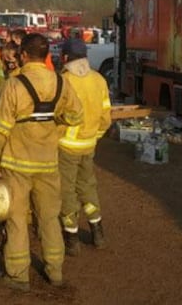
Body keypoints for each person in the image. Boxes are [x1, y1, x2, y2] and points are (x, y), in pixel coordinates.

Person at [0, 33, 83, 291]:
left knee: (17, 220)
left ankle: (18, 275)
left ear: (24, 55)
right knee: (50, 218)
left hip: (16, 163)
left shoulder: (14, 85)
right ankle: (55, 270)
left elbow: (0, 128)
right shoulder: (61, 82)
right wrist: (54, 128)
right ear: (47, 55)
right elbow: (76, 116)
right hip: (48, 162)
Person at [57, 39, 112, 256]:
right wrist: (95, 136)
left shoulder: (64, 81)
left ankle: (72, 239)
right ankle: (97, 232)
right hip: (89, 145)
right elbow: (106, 117)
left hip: (66, 146)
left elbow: (57, 115)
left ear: (65, 57)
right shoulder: (99, 79)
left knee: (67, 190)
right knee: (88, 186)